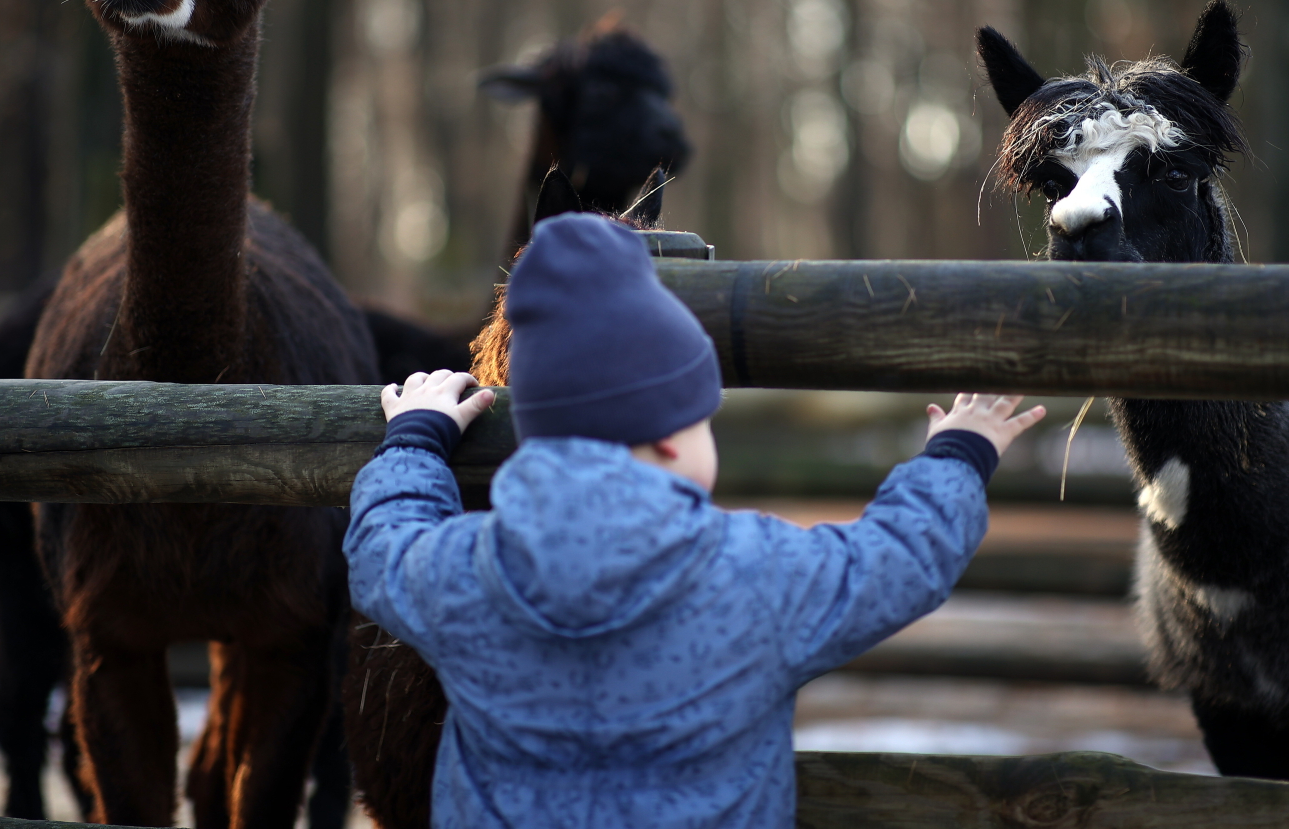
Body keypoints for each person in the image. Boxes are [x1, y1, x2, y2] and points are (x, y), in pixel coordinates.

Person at [344, 213, 1045, 828]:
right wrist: (958, 451)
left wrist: (414, 437)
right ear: (674, 439)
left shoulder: (465, 575)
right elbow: (895, 560)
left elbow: (382, 546)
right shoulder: (752, 575)